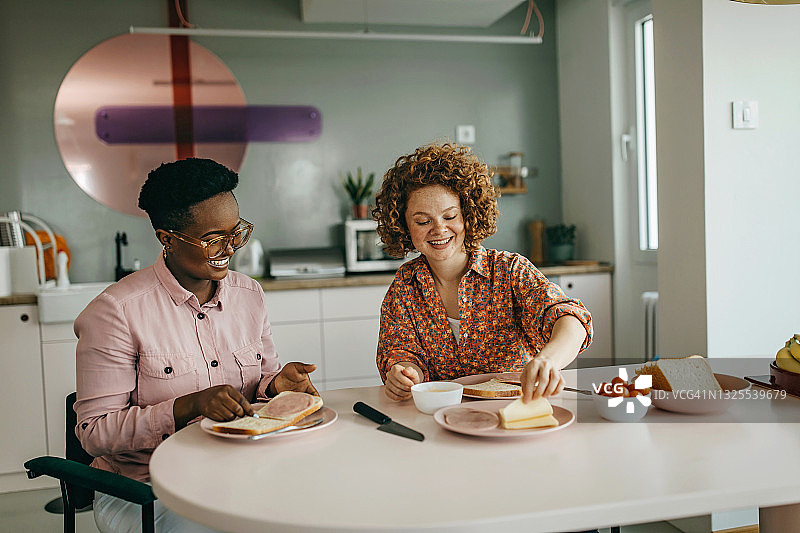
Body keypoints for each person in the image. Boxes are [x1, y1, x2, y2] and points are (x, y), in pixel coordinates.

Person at [74, 158, 318, 533]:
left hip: (239, 472)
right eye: (211, 238)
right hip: (146, 490)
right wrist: (189, 405)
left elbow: (260, 383)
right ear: (167, 238)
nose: (229, 247)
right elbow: (95, 433)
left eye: (236, 232)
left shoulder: (249, 294)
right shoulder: (115, 313)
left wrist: (278, 386)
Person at [373, 142, 593, 404]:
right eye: (423, 221)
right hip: (444, 418)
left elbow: (571, 319)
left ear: (468, 215)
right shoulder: (405, 287)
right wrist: (405, 374)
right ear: (404, 225)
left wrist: (548, 360)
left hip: (515, 410)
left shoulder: (509, 270)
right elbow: (402, 354)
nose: (439, 229)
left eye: (450, 216)